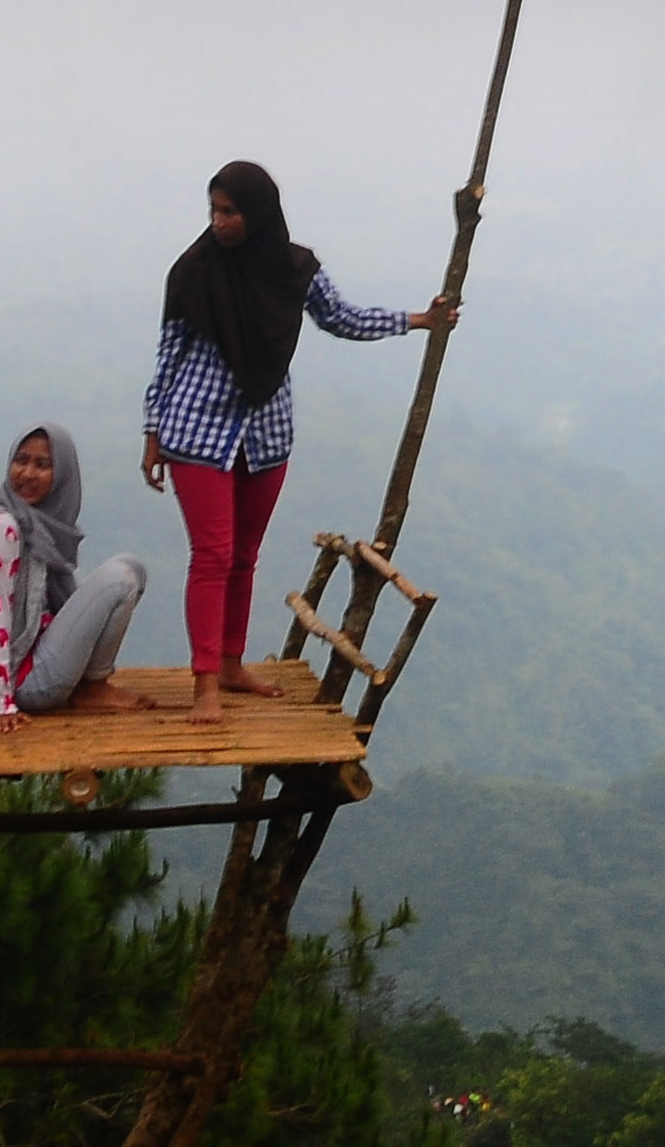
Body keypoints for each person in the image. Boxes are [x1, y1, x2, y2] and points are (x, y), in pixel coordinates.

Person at [139, 159, 454, 724]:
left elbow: (342, 317)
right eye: (214, 210)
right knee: (212, 557)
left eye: (230, 212)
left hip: (265, 432)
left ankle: (231, 665)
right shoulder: (193, 272)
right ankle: (205, 683)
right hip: (196, 431)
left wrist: (418, 320)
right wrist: (152, 429)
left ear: (258, 213)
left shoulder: (294, 269)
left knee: (243, 556)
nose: (219, 222)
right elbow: (170, 353)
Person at [0, 421, 145, 731]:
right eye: (21, 460)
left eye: (42, 465)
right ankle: (93, 689)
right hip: (24, 679)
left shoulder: (39, 524)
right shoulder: (1, 527)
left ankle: (92, 685)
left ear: (62, 475)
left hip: (39, 648)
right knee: (120, 578)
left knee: (132, 567)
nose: (28, 474)